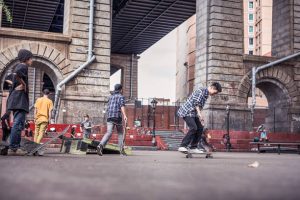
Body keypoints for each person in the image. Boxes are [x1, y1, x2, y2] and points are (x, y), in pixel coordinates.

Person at [177, 82, 222, 153]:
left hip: (193, 113)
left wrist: (200, 116)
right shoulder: (201, 91)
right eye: (215, 92)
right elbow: (196, 103)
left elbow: (200, 106)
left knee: (200, 128)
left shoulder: (206, 94)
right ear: (212, 88)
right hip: (187, 111)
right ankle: (182, 146)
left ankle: (193, 147)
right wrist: (199, 114)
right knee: (193, 127)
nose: (214, 94)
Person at [7, 49, 32, 155]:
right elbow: (17, 74)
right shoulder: (23, 66)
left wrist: (14, 85)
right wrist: (24, 84)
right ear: (26, 58)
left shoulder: (18, 66)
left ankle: (14, 146)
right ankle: (13, 148)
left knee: (19, 123)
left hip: (16, 99)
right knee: (18, 124)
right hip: (19, 100)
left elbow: (10, 78)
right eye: (31, 59)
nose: (31, 61)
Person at [97, 84, 128, 156]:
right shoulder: (121, 96)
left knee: (109, 132)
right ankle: (121, 151)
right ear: (121, 89)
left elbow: (108, 107)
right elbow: (122, 106)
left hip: (109, 117)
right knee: (120, 133)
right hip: (117, 117)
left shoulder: (110, 97)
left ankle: (100, 145)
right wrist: (125, 116)